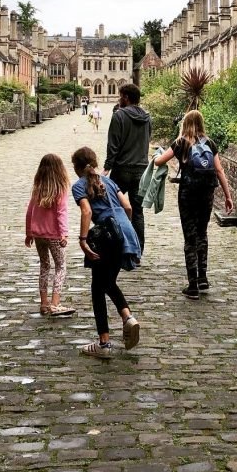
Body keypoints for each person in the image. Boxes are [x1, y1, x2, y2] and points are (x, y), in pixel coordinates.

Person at [154, 109, 233, 299]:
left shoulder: (181, 143)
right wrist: (228, 196)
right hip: (206, 195)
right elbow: (220, 171)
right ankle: (203, 277)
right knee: (202, 234)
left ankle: (192, 286)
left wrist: (156, 156)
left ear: (186, 123)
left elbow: (160, 162)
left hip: (188, 195)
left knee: (190, 238)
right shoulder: (210, 143)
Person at [72, 146, 140, 359]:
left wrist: (83, 240)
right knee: (107, 282)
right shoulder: (108, 181)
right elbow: (128, 207)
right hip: (126, 232)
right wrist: (122, 229)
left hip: (107, 235)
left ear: (77, 167)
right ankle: (128, 317)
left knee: (97, 288)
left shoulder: (79, 186)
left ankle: (104, 343)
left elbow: (87, 210)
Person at [25, 153, 75, 317]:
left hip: (38, 235)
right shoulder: (59, 190)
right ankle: (55, 303)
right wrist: (64, 234)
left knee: (44, 266)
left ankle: (44, 303)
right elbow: (61, 213)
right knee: (61, 266)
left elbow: (29, 212)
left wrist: (29, 233)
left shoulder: (37, 189)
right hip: (54, 235)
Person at [104, 84, 151, 252]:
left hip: (121, 169)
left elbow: (113, 144)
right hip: (141, 170)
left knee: (113, 207)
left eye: (120, 96)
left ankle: (117, 247)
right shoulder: (147, 117)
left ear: (126, 97)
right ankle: (137, 252)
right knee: (137, 212)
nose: (119, 99)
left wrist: (107, 166)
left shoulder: (119, 116)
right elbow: (147, 141)